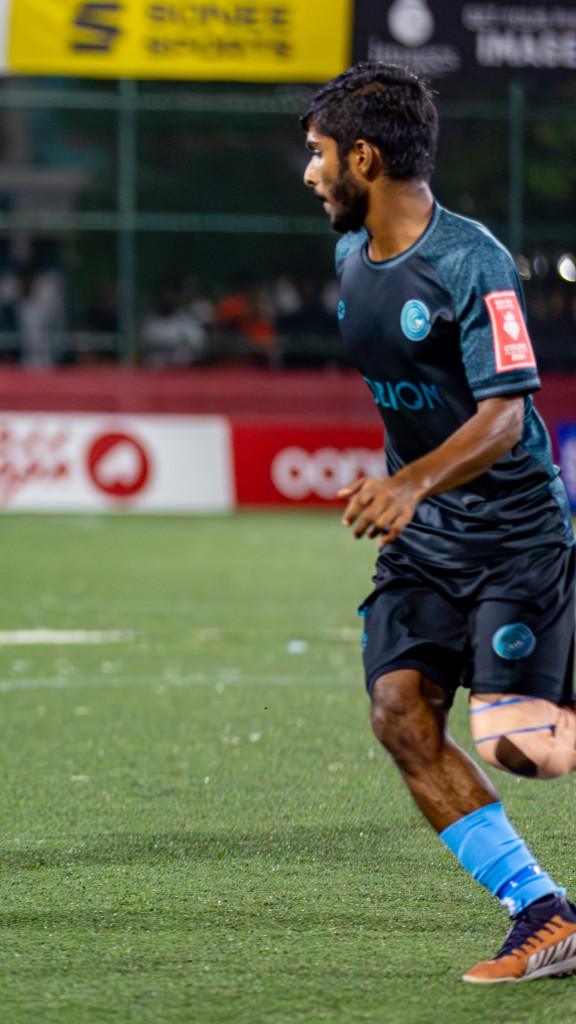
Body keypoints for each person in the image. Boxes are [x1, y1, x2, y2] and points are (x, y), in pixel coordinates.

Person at [303, 62, 576, 984]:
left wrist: (412, 482)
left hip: (514, 536)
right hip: (426, 546)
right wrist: (416, 498)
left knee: (527, 749)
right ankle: (543, 915)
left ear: (365, 158)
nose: (310, 173)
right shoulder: (351, 259)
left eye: (319, 154)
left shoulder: (474, 260)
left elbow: (505, 415)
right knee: (399, 716)